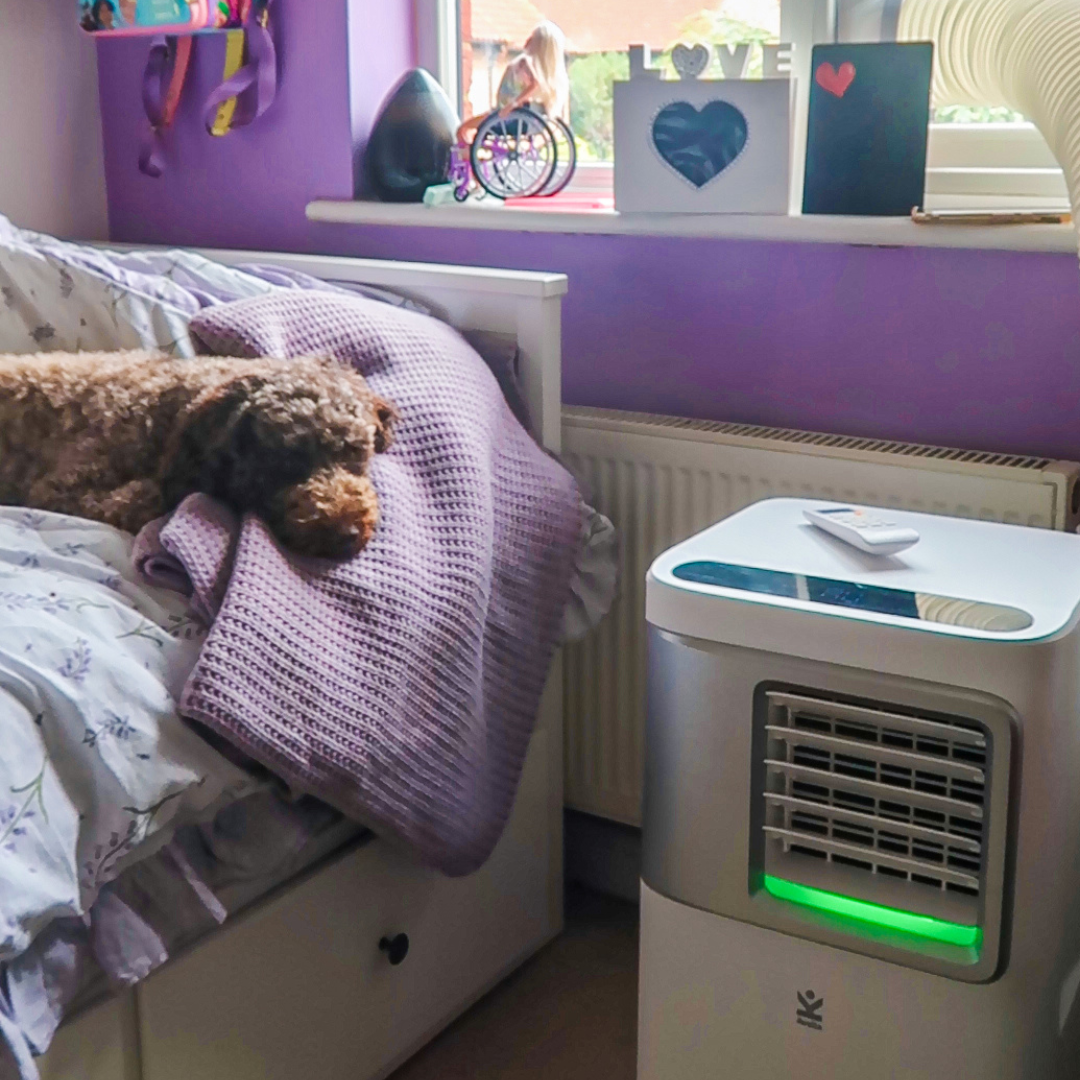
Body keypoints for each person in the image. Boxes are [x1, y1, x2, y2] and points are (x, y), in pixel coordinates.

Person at [456, 21, 570, 144]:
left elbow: (534, 84)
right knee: (473, 128)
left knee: (465, 129)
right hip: (524, 120)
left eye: (532, 38)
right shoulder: (540, 74)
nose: (527, 40)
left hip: (510, 116)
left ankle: (468, 151)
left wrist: (513, 104)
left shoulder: (525, 62)